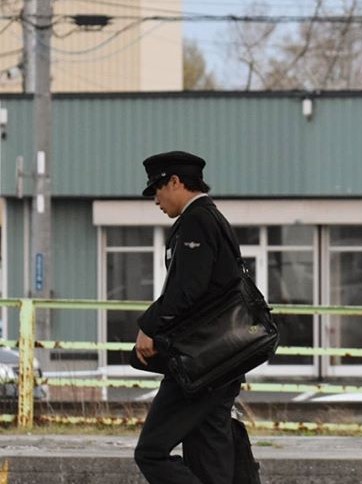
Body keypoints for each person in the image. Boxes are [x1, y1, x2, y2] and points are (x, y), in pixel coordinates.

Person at [133, 150, 243, 484]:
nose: (155, 200)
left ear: (176, 182)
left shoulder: (198, 220)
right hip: (223, 359)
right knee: (209, 459)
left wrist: (148, 327)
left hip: (202, 362)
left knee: (151, 452)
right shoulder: (213, 218)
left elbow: (187, 290)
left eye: (157, 189)